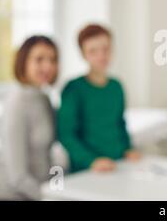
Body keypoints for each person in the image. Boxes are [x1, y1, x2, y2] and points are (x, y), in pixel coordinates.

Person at [58, 24, 141, 173]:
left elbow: (120, 123)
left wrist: (128, 149)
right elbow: (66, 134)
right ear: (83, 54)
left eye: (106, 49)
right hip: (86, 171)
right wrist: (91, 161)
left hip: (118, 165)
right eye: (93, 51)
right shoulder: (73, 89)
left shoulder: (116, 86)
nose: (101, 56)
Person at [0, 36, 59, 200]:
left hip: (41, 191)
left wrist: (59, 188)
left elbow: (51, 158)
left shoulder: (44, 98)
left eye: (53, 59)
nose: (48, 66)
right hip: (12, 195)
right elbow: (17, 177)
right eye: (39, 59)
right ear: (23, 62)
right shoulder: (16, 103)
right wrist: (50, 197)